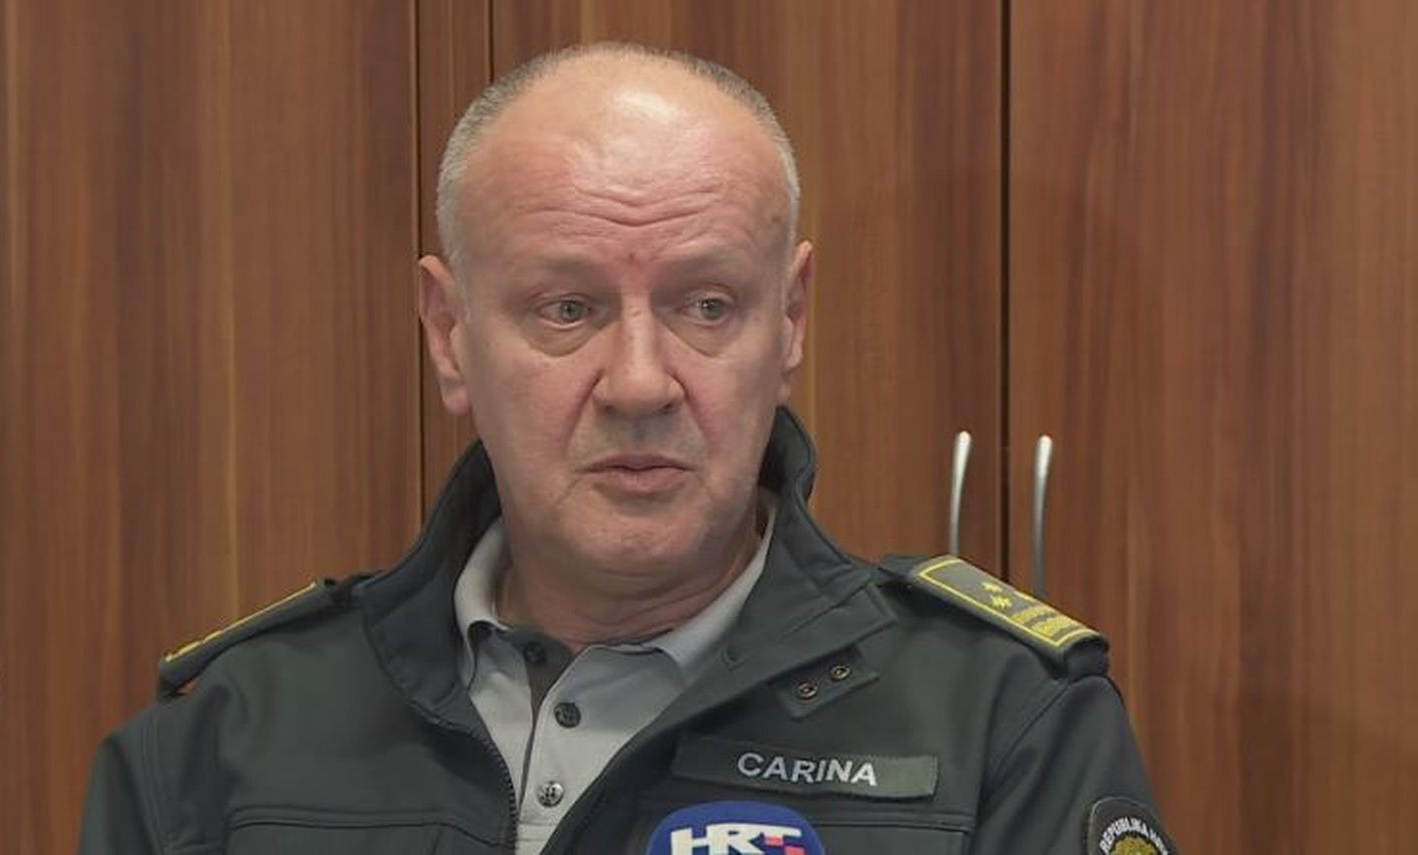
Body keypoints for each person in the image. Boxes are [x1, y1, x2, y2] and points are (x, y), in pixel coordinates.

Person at [80, 42, 1172, 854]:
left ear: (789, 323)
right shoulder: (222, 740)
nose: (641, 382)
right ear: (450, 336)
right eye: (566, 309)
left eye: (706, 305)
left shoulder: (1009, 726)